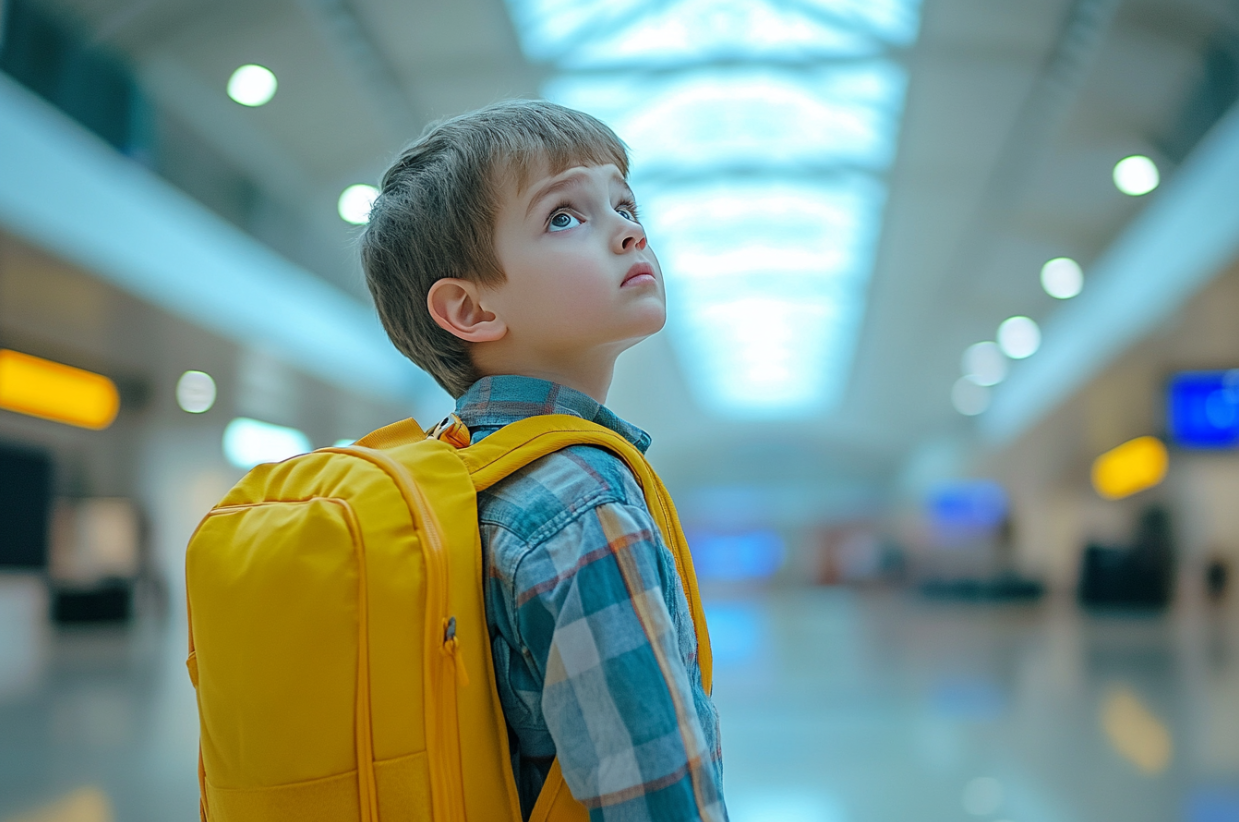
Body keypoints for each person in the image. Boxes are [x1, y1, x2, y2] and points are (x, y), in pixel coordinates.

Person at [360, 100, 726, 822]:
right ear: (469, 311)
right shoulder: (581, 502)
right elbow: (651, 798)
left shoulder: (452, 476)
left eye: (623, 202)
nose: (629, 230)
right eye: (565, 216)